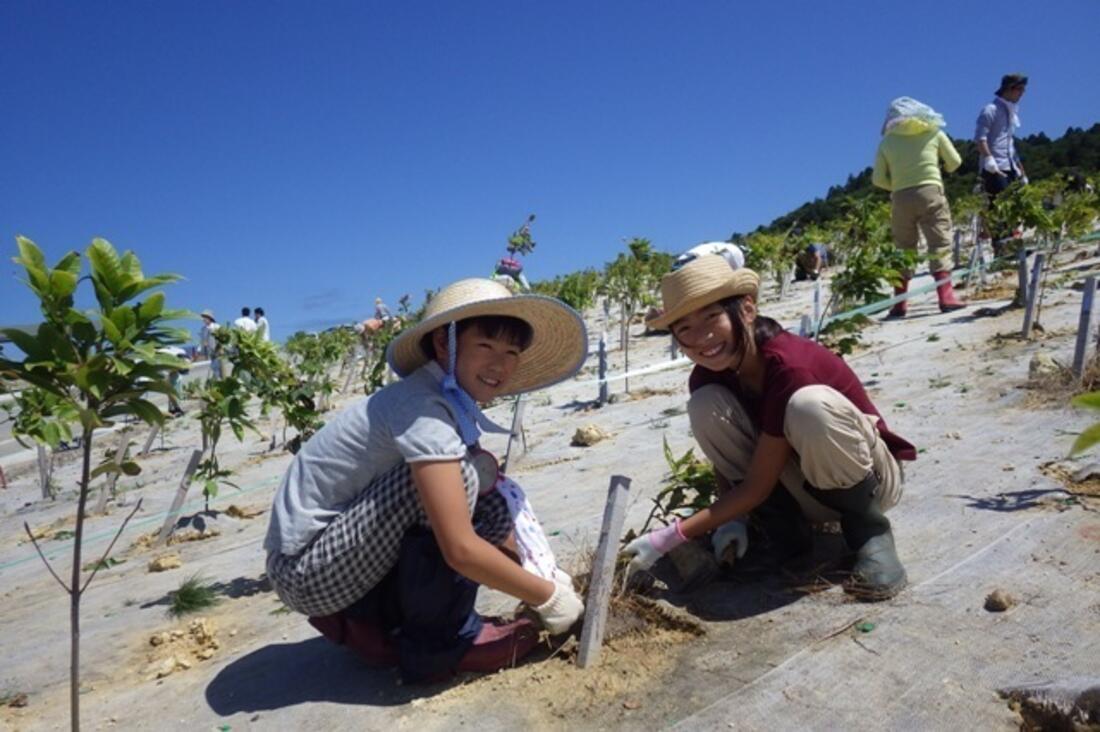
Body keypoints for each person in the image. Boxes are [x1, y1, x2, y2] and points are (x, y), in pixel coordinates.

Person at [264, 277, 588, 682]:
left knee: (484, 491)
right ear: (443, 344)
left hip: (333, 551)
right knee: (462, 480)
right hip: (305, 573)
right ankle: (442, 644)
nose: (499, 364)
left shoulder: (442, 399)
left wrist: (538, 570)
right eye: (485, 346)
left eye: (511, 352)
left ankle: (381, 623)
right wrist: (549, 598)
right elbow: (459, 548)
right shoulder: (423, 410)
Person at [623, 256, 915, 600]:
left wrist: (667, 538)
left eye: (712, 316)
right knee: (704, 405)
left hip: (869, 482)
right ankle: (787, 535)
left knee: (809, 407)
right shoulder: (708, 376)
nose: (701, 337)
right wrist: (734, 519)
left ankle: (869, 532)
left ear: (746, 310)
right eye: (684, 328)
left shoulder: (787, 363)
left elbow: (758, 485)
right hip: (804, 490)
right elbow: (727, 458)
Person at [872, 97, 966, 317]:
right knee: (939, 243)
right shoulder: (934, 132)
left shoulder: (887, 142)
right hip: (931, 191)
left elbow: (877, 179)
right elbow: (955, 162)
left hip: (900, 197)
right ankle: (946, 297)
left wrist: (896, 185)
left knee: (904, 248)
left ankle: (900, 304)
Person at [975, 74, 1029, 250]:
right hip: (994, 167)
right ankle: (1001, 250)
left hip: (1009, 165)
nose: (1022, 93)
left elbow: (1010, 144)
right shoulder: (990, 110)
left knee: (1013, 207)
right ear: (1010, 89)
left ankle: (1012, 247)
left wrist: (1021, 170)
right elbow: (980, 138)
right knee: (998, 208)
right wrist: (989, 159)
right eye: (1020, 89)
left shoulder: (1010, 112)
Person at [674, 241, 745, 272]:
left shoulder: (720, 245)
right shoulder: (736, 251)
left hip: (677, 265)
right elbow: (737, 272)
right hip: (694, 263)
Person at [199, 310, 223, 380]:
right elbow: (202, 342)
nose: (203, 319)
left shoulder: (217, 327)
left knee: (219, 370)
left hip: (218, 353)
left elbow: (221, 339)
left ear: (209, 318)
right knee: (215, 370)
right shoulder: (203, 329)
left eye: (205, 317)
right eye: (203, 318)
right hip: (211, 353)